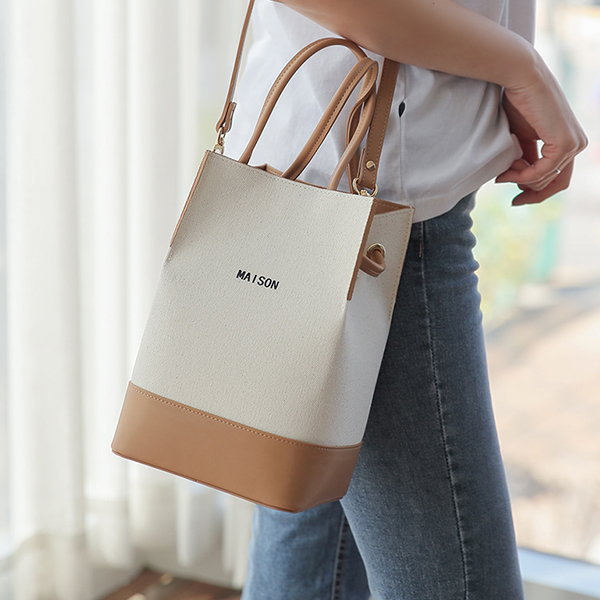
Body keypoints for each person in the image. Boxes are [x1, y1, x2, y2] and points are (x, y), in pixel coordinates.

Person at [222, 0, 588, 598]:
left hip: (336, 172)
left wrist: (508, 77)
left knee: (311, 539)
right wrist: (522, 70)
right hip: (379, 218)